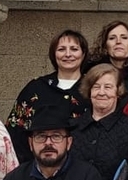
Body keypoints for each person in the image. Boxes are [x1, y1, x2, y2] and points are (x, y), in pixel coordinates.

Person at [6, 29, 89, 162]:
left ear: (83, 54)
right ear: (54, 54)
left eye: (74, 49)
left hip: (83, 169)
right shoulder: (35, 88)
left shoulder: (94, 89)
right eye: (61, 49)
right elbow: (15, 130)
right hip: (38, 168)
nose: (68, 54)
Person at [86, 21, 128, 107]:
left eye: (124, 37)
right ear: (105, 46)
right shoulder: (92, 75)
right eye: (112, 38)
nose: (118, 41)